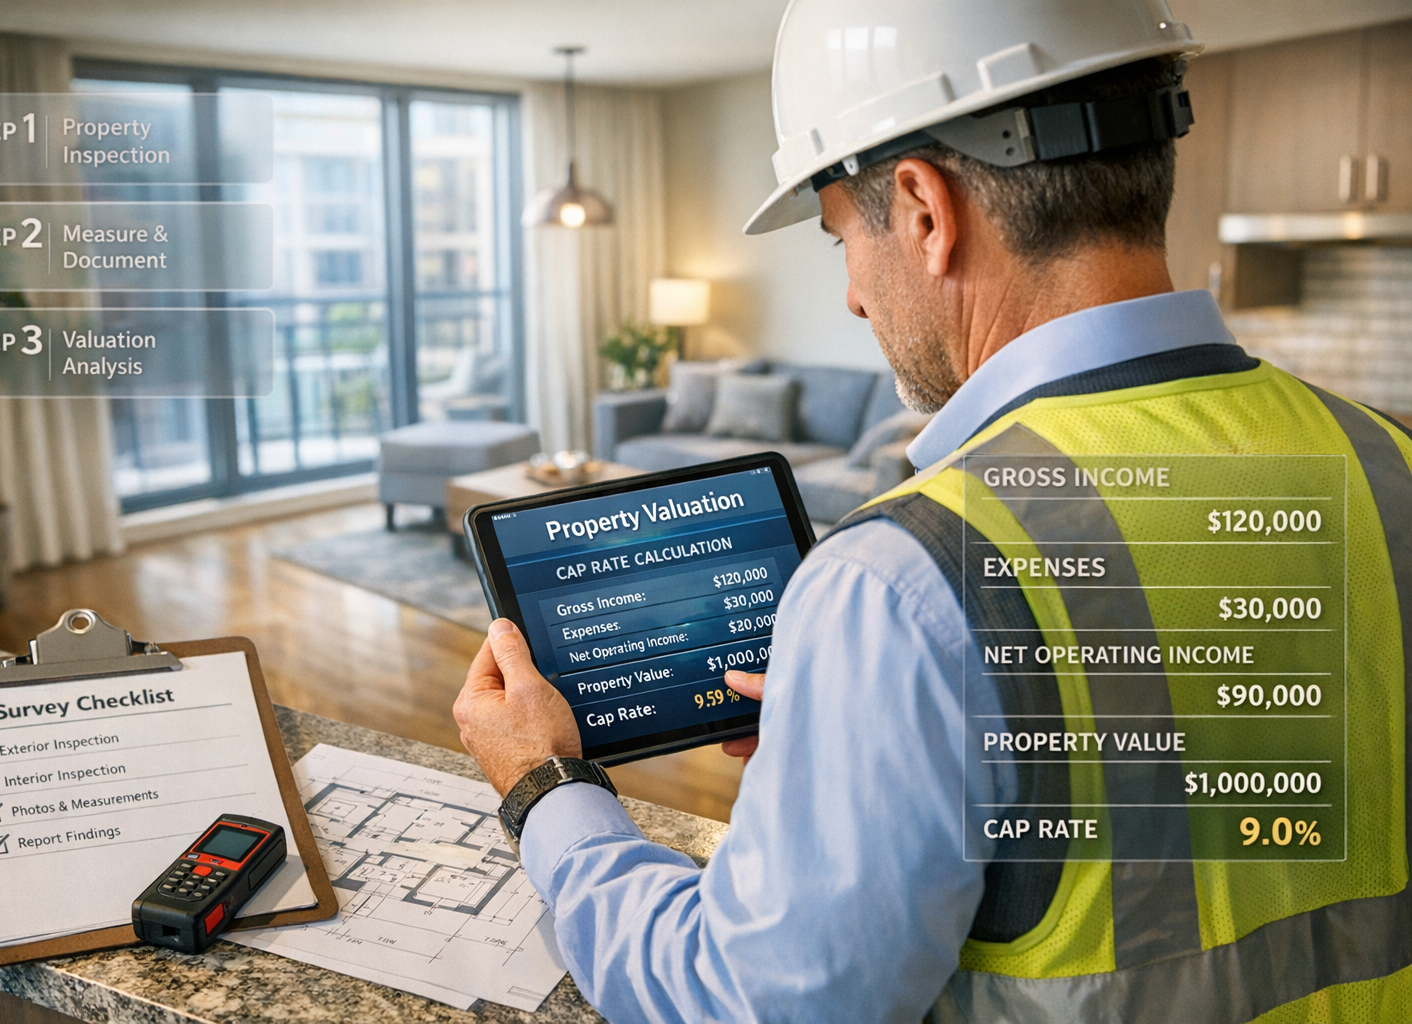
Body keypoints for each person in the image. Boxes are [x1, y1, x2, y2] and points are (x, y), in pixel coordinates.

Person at [455, 1, 1412, 1020]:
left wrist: (547, 787)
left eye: (838, 243)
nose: (858, 301)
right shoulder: (1384, 460)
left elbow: (745, 1004)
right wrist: (900, 728)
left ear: (923, 207)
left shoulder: (907, 581)